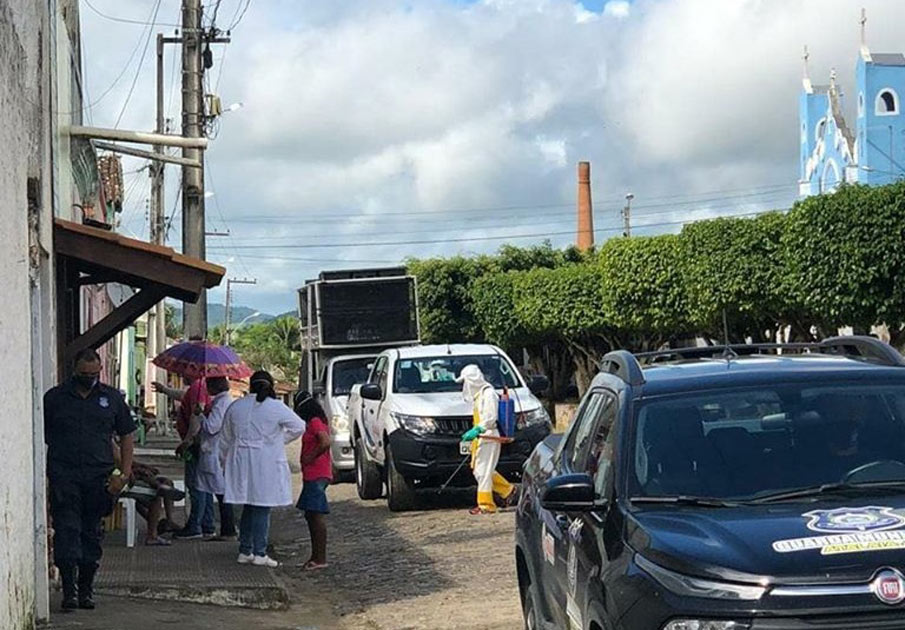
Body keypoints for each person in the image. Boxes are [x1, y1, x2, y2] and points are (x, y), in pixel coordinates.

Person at [44, 348, 136, 611]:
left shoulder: (111, 398)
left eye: (94, 374)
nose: (90, 378)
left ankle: (86, 590)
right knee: (66, 531)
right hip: (65, 476)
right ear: (75, 370)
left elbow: (126, 435)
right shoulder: (55, 398)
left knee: (91, 533)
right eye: (85, 374)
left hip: (99, 477)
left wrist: (124, 474)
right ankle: (69, 591)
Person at [219, 371, 305, 567]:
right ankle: (259, 552)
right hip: (265, 461)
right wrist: (277, 440)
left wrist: (224, 462)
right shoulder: (276, 407)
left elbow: (225, 439)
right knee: (262, 506)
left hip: (240, 461)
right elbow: (299, 426)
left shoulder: (236, 406)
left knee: (249, 504)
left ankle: (245, 549)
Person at [153, 373, 215, 539]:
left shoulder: (198, 388)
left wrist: (186, 442)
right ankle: (207, 524)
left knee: (196, 486)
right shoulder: (197, 388)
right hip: (199, 445)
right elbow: (183, 396)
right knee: (203, 486)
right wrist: (165, 390)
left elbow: (196, 419)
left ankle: (196, 525)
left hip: (195, 445)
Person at [458, 364, 517, 515]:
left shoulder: (488, 394)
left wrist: (477, 429)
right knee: (480, 471)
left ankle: (486, 505)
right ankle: (507, 490)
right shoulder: (480, 396)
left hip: (489, 436)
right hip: (482, 437)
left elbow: (490, 418)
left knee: (483, 471)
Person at [192, 376, 237, 541]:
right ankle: (225, 527)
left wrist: (200, 415)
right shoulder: (224, 402)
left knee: (220, 491)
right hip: (216, 451)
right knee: (217, 490)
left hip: (214, 450)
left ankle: (228, 528)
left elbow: (211, 427)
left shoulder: (221, 404)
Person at [294, 391, 332, 570]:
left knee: (316, 515)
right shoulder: (317, 421)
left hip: (316, 473)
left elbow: (325, 442)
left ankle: (320, 558)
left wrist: (310, 456)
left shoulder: (315, 422)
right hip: (313, 474)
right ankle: (316, 556)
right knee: (310, 514)